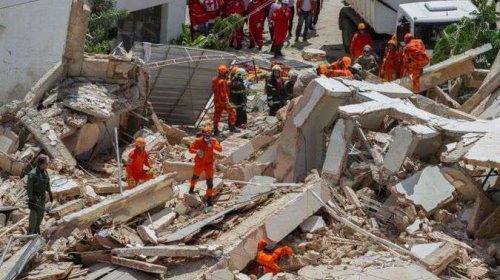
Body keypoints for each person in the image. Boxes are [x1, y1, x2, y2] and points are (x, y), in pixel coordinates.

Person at [189, 127, 222, 210]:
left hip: (209, 164)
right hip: (199, 163)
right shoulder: (198, 141)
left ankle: (209, 201)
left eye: (209, 135)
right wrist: (197, 151)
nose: (208, 136)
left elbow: (220, 149)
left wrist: (213, 144)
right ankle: (191, 188)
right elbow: (190, 149)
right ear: (203, 134)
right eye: (206, 135)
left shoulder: (213, 140)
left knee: (210, 183)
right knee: (195, 176)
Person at [27, 155, 53, 235]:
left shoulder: (45, 171)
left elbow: (47, 182)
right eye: (46, 163)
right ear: (41, 163)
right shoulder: (32, 174)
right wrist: (31, 199)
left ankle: (37, 229)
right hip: (35, 198)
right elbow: (29, 189)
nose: (47, 165)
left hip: (42, 197)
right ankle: (31, 231)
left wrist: (50, 192)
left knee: (41, 214)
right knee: (33, 215)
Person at [213, 65, 238, 135]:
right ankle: (232, 127)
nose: (227, 74)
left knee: (217, 115)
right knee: (233, 112)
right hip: (223, 101)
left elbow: (216, 89)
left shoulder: (214, 80)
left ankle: (215, 130)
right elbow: (224, 94)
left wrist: (228, 82)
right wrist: (228, 102)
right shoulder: (222, 82)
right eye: (226, 72)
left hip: (216, 101)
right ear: (223, 73)